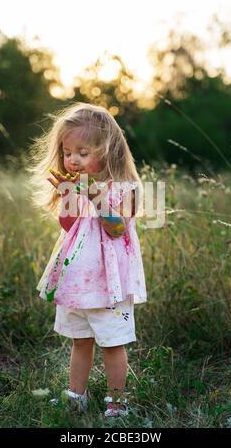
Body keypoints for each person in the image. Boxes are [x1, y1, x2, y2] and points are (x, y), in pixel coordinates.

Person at [27, 102, 147, 417]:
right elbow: (69, 227)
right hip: (79, 279)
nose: (73, 159)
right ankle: (75, 396)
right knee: (81, 341)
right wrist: (69, 196)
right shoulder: (77, 186)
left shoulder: (123, 188)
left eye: (83, 151)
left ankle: (117, 403)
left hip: (110, 283)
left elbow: (117, 227)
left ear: (107, 150)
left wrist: (94, 197)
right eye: (68, 152)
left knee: (111, 342)